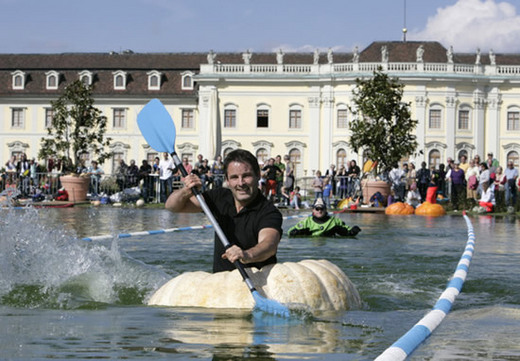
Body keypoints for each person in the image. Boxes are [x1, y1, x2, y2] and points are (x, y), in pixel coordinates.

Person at [165, 149, 283, 273]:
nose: (241, 183)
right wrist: (186, 191)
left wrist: (246, 255)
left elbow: (269, 245)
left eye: (246, 176)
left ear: (258, 175)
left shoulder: (269, 211)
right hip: (221, 282)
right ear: (227, 179)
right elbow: (172, 206)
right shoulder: (219, 197)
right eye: (234, 177)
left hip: (257, 281)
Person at [288, 198, 361, 237]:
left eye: (321, 209)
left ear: (325, 209)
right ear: (313, 210)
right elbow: (289, 232)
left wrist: (353, 231)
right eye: (317, 209)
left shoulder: (334, 221)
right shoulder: (307, 222)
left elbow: (348, 231)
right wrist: (299, 232)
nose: (319, 211)